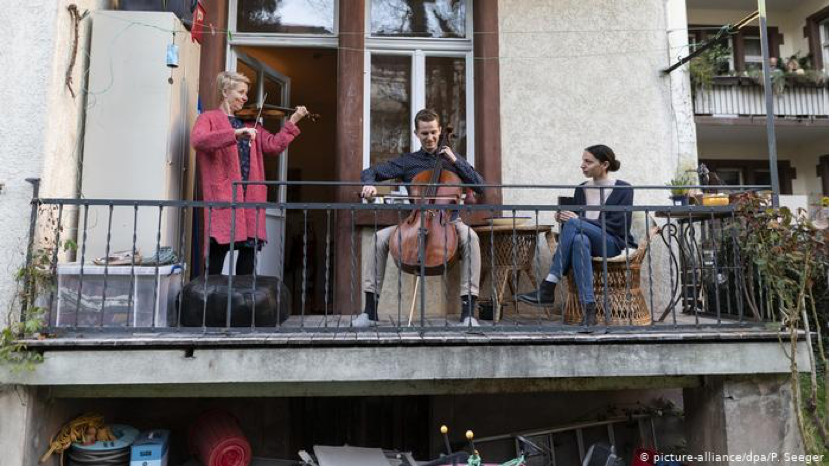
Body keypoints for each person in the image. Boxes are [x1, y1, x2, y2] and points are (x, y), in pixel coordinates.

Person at [357, 108, 484, 327]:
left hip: (450, 222)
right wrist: (368, 183)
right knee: (379, 239)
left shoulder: (453, 160)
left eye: (433, 132)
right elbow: (372, 171)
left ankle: (468, 311)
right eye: (424, 133)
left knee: (471, 238)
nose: (430, 138)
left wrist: (455, 160)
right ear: (417, 133)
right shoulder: (408, 162)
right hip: (415, 222)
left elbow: (480, 185)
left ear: (440, 130)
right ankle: (369, 312)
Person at [192, 71, 308, 275]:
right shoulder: (208, 118)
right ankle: (212, 306)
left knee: (246, 268)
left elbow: (274, 146)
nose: (246, 98)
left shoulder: (251, 124)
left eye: (247, 93)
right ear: (225, 91)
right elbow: (199, 140)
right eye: (241, 92)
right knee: (214, 266)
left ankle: (242, 307)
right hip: (224, 201)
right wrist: (234, 134)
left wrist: (293, 121)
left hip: (250, 202)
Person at [515, 145, 636, 330]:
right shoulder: (581, 189)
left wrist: (577, 220)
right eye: (583, 161)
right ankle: (589, 311)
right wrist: (562, 218)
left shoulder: (624, 189)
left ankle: (549, 286)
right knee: (579, 240)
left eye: (588, 161)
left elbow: (618, 226)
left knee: (574, 224)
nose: (582, 165)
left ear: (604, 164)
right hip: (587, 242)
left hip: (612, 242)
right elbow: (577, 229)